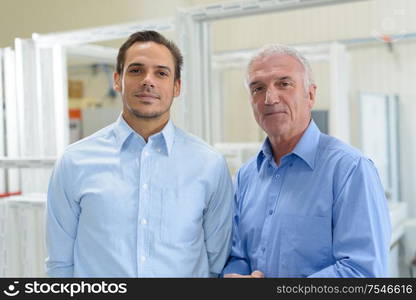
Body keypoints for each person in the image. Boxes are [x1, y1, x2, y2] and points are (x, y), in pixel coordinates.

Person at [46, 30, 233, 277]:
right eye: (136, 70)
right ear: (117, 80)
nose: (148, 80)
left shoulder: (210, 164)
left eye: (161, 73)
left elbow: (216, 264)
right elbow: (60, 264)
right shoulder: (74, 162)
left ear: (176, 86)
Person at [222, 44, 391, 278]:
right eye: (258, 88)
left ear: (310, 95)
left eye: (284, 84)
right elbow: (237, 255)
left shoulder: (349, 169)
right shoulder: (247, 176)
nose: (270, 98)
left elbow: (362, 272)